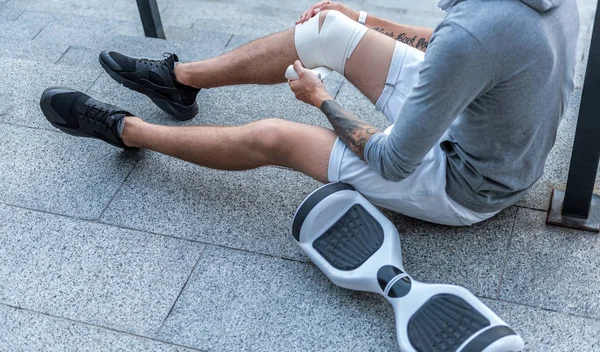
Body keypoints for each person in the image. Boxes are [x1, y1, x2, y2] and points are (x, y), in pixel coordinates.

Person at [40, 0, 579, 227]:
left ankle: (125, 130)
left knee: (277, 136)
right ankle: (178, 82)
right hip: (484, 125)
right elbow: (455, 46)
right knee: (327, 29)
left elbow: (391, 161)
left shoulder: (474, 34)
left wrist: (319, 99)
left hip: (470, 184)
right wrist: (359, 16)